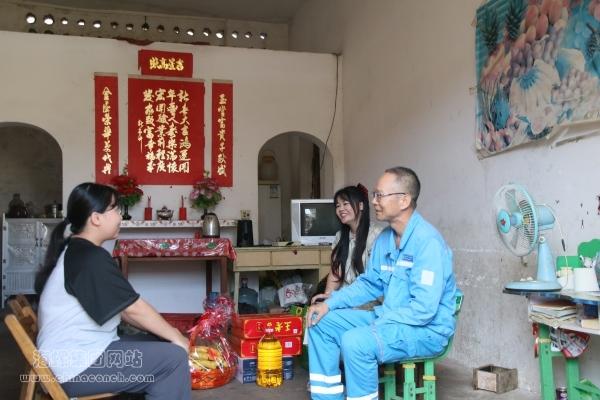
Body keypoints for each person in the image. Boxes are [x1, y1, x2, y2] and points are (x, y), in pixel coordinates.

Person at [306, 167, 458, 400]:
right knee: (320, 321)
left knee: (356, 342)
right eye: (374, 195)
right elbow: (369, 284)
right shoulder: (385, 239)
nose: (374, 201)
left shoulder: (428, 243)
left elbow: (423, 311)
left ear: (404, 200)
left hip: (425, 330)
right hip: (389, 318)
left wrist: (379, 320)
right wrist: (329, 303)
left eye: (380, 195)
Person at [35, 182, 191, 399]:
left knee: (162, 342)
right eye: (115, 209)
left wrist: (168, 335)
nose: (120, 216)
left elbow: (124, 309)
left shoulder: (79, 250)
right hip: (75, 368)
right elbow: (133, 309)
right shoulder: (89, 257)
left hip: (73, 360)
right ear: (96, 218)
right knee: (173, 359)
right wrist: (178, 338)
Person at [311, 184, 382, 304]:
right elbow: (336, 273)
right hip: (343, 299)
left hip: (368, 301)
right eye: (338, 206)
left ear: (361, 205)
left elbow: (376, 280)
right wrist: (327, 297)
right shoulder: (340, 236)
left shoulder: (377, 235)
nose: (341, 209)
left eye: (345, 204)